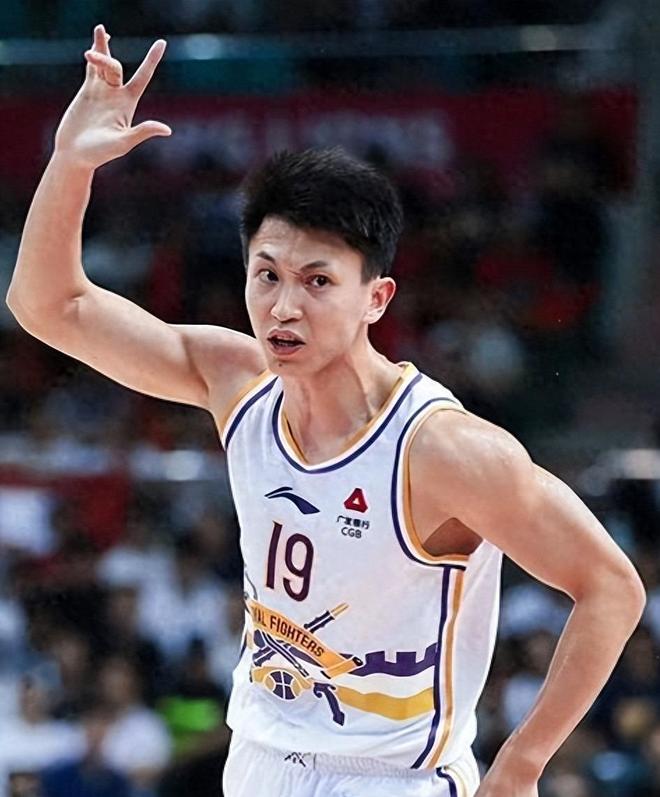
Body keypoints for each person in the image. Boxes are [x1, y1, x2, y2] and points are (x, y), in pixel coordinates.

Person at [6, 24, 645, 797]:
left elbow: (611, 586)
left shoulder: (442, 449)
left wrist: (522, 764)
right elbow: (49, 305)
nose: (284, 306)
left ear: (376, 297)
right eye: (267, 274)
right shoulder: (235, 380)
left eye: (317, 281)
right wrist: (70, 162)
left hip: (393, 777)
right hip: (259, 758)